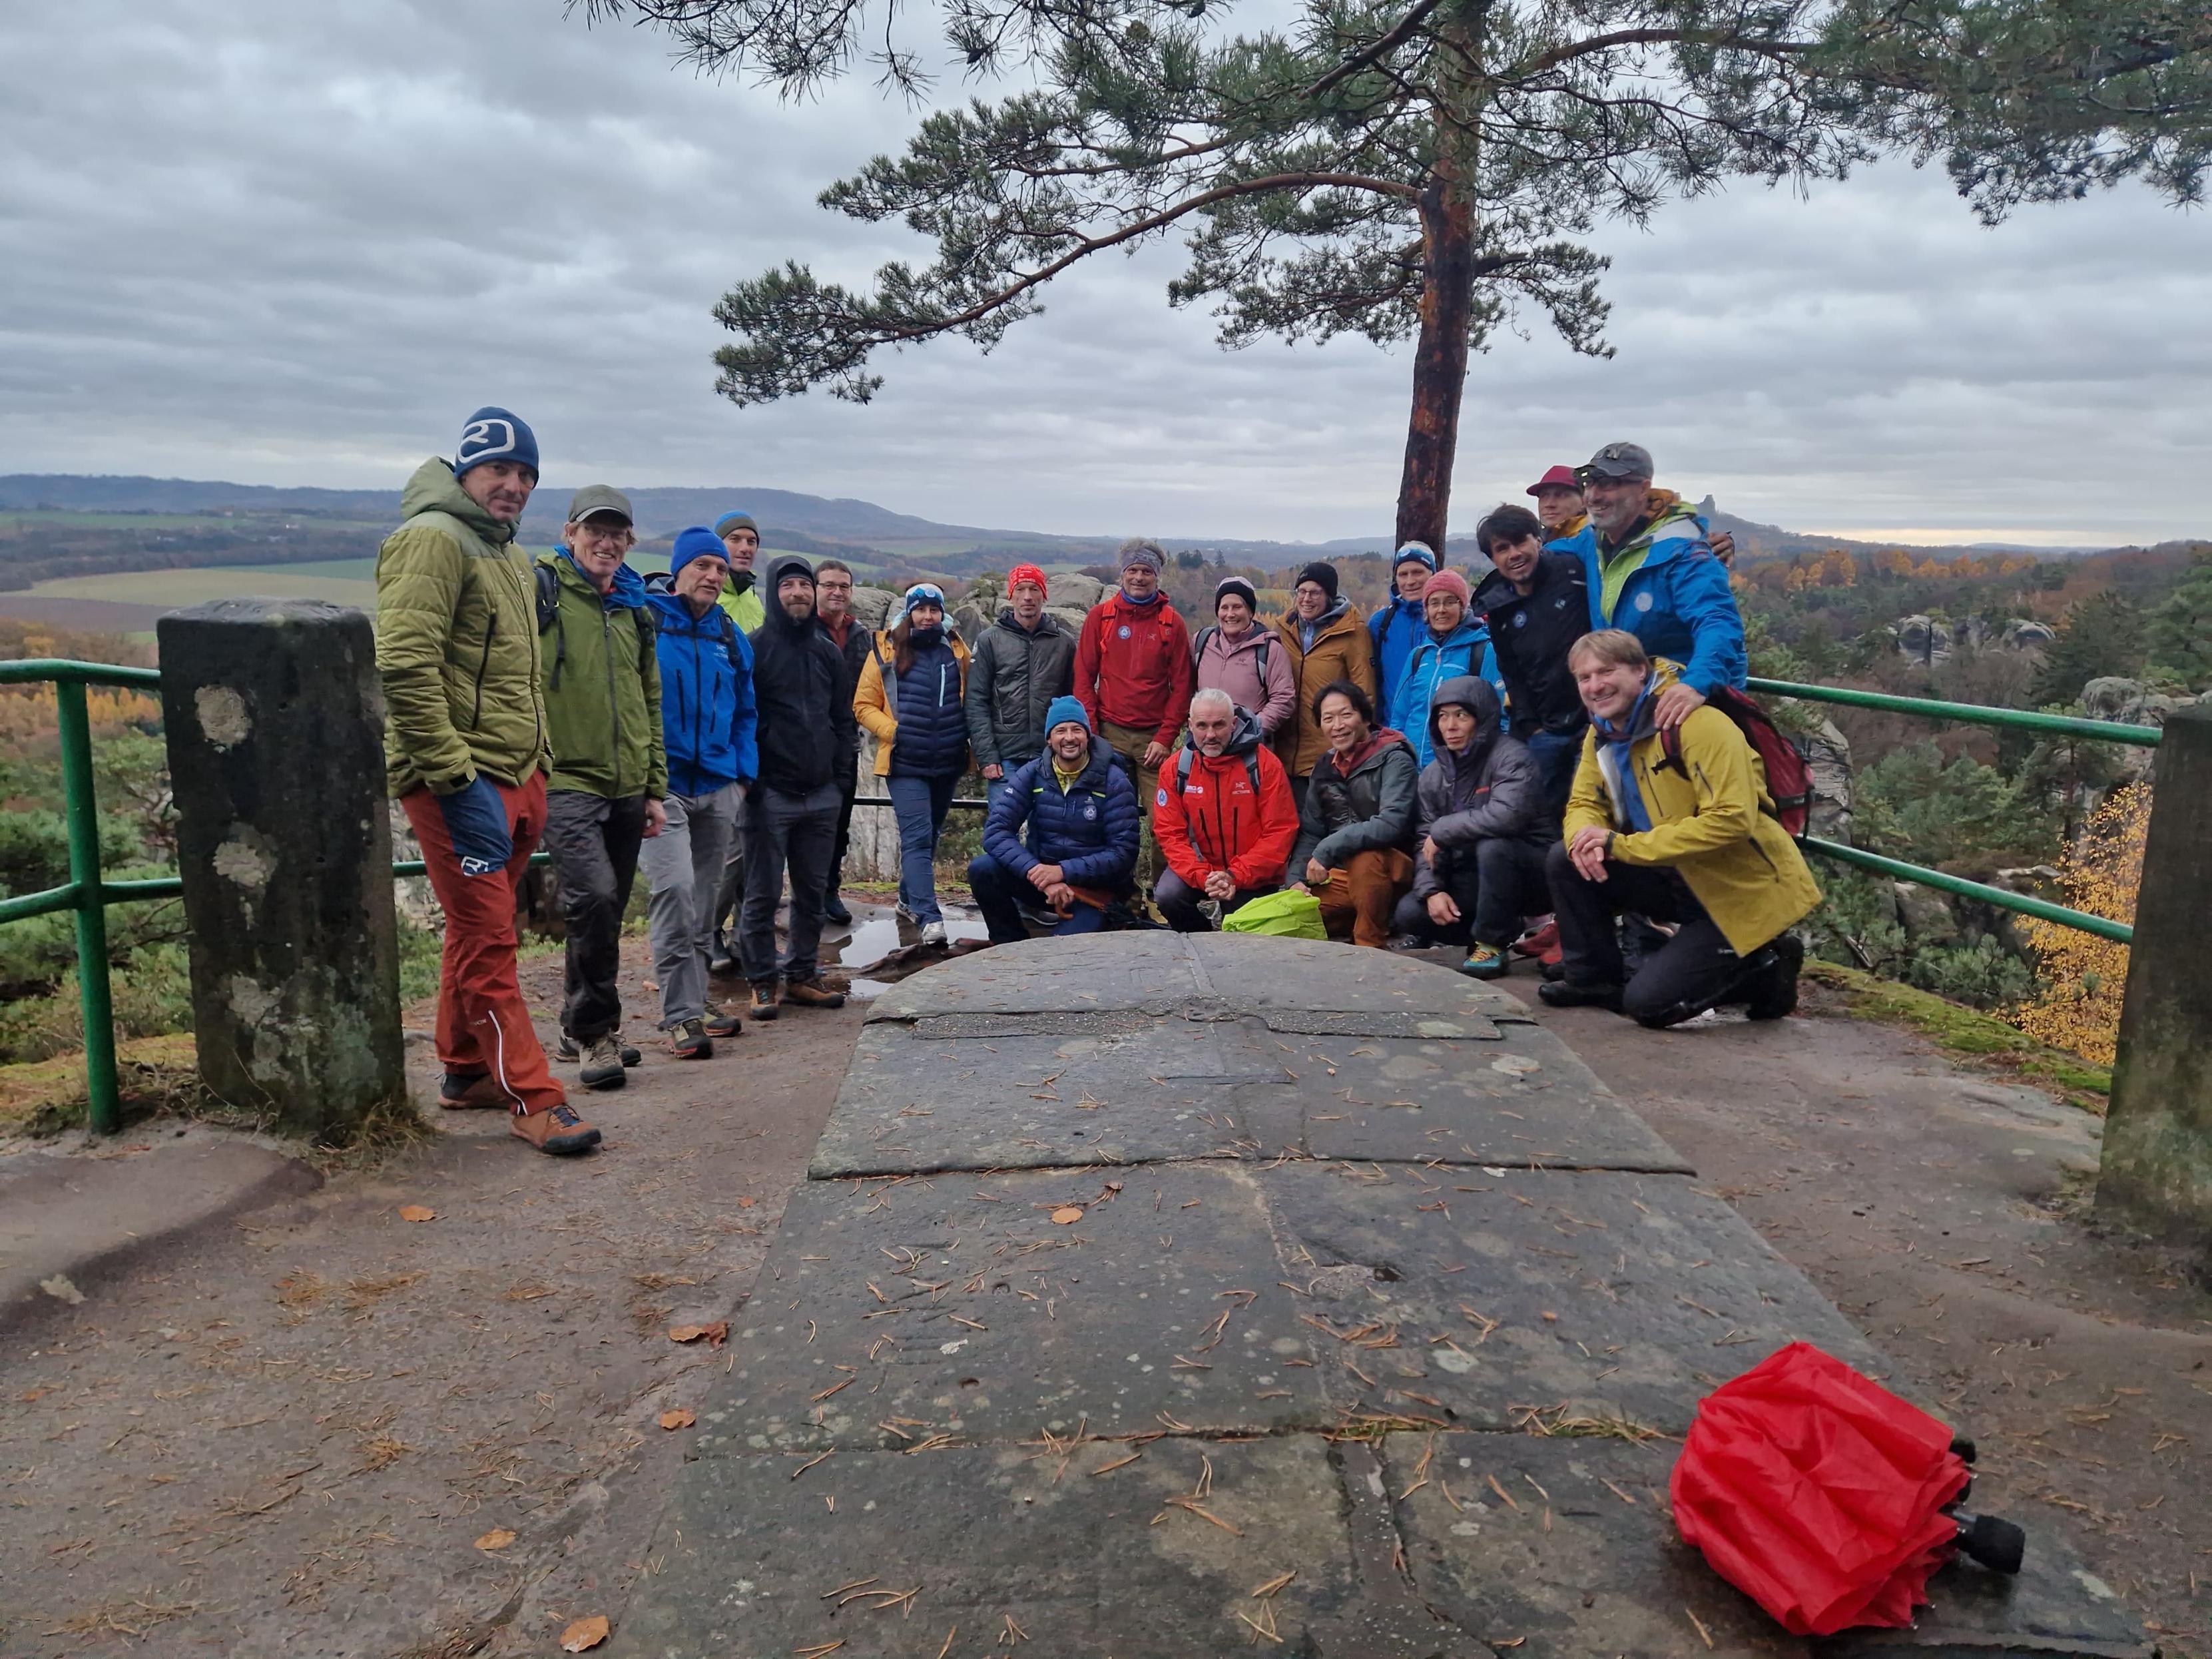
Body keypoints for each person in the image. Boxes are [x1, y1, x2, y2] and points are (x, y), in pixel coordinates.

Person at [375, 408, 597, 1156]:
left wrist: (534, 767)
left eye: (526, 473)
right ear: (466, 470)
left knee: (477, 930)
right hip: (461, 779)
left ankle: (465, 1067)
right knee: (489, 935)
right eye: (499, 469)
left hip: (512, 770)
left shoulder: (502, 551)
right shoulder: (431, 539)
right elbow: (405, 665)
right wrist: (454, 778)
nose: (513, 485)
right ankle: (533, 1096)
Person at [1541, 630, 1818, 1026]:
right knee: (1565, 859)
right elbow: (1585, 801)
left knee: (1648, 1005)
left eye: (1607, 671)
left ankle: (1766, 968)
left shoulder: (1699, 725)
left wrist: (1620, 846)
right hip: (1676, 875)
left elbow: (1732, 820)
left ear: (1641, 671)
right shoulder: (1603, 732)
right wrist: (1585, 837)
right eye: (1584, 678)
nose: (1595, 685)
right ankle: (1592, 980)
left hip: (1737, 890)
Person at [534, 487, 667, 1090]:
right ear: (570, 533)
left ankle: (573, 1025)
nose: (606, 542)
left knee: (605, 906)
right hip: (565, 775)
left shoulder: (635, 607)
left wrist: (654, 785)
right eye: (596, 530)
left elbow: (649, 698)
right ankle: (595, 1034)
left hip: (626, 781)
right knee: (591, 895)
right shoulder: (543, 592)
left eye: (617, 534)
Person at [641, 527, 757, 1059]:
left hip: (718, 784)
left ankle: (695, 999)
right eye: (702, 566)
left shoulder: (728, 635)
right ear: (679, 569)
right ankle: (681, 1015)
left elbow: (746, 711)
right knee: (675, 892)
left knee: (706, 903)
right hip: (661, 786)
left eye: (719, 568)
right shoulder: (645, 622)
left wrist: (741, 774)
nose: (713, 575)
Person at [1547, 442, 1747, 729]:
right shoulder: (1591, 541)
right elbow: (1538, 556)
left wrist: (1696, 685)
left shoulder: (1685, 551)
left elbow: (1717, 623)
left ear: (1644, 489)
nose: (1595, 495)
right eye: (1590, 483)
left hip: (1684, 716)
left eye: (1610, 484)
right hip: (1625, 712)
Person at [738, 555, 854, 1020]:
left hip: (822, 792)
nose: (798, 594)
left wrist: (841, 777)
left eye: (803, 586)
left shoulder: (827, 650)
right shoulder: (755, 648)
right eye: (788, 586)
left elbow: (843, 719)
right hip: (771, 794)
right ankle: (762, 981)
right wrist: (753, 782)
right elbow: (742, 720)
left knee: (812, 893)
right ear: (774, 592)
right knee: (762, 895)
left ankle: (802, 974)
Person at [1392, 677, 1550, 976]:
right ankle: (1484, 936)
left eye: (1461, 716)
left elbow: (1507, 816)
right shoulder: (1433, 774)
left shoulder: (1511, 757)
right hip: (1473, 878)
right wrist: (1431, 891)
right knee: (1410, 912)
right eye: (1442, 716)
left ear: (1482, 719)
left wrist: (1443, 830)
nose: (1450, 726)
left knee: (1493, 846)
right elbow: (1423, 839)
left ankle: (1492, 942)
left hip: (1530, 872)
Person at [854, 582, 971, 947]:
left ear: (941, 613)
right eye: (920, 610)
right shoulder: (887, 650)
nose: (927, 616)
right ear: (909, 612)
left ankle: (907, 900)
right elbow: (863, 705)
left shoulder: (955, 649)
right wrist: (895, 732)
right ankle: (929, 917)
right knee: (918, 839)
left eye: (933, 610)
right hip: (905, 763)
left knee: (930, 836)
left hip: (948, 761)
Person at [968, 696, 1139, 943]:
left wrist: (1062, 872)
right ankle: (1008, 943)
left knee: (1060, 952)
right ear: (1049, 738)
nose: (1069, 737)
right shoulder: (1033, 773)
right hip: (1044, 881)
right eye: (1061, 731)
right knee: (983, 869)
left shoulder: (1114, 780)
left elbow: (1124, 852)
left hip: (1093, 890)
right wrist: (1038, 873)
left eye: (1077, 730)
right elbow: (996, 832)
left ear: (1088, 736)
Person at [1474, 503, 1590, 823]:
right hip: (1545, 731)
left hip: (1594, 723)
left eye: (1520, 542)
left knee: (1593, 815)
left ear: (1537, 540)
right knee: (1542, 819)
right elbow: (1511, 671)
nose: (1514, 554)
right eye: (1502, 548)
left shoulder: (1575, 572)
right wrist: (1532, 725)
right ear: (1493, 559)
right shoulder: (1498, 606)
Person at [1151, 687, 1298, 931]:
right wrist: (1203, 875)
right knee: (1167, 896)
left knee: (1241, 931)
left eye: (1219, 725)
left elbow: (1280, 831)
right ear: (1189, 725)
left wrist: (1235, 875)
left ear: (1234, 723)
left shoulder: (1264, 764)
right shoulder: (1176, 768)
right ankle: (1201, 939)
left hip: (1251, 873)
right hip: (1202, 870)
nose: (1210, 735)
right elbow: (1170, 833)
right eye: (1202, 726)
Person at [1287, 680, 1419, 948]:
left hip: (1395, 867)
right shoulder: (1324, 766)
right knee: (1291, 917)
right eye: (1328, 718)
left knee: (1365, 857)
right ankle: (1363, 921)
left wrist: (1328, 848)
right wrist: (1296, 880)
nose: (1338, 725)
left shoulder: (1394, 757)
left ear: (1364, 717)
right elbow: (1312, 830)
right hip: (1341, 875)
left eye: (1346, 715)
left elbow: (1391, 823)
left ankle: (1370, 947)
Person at [1073, 538, 1195, 823]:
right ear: (1123, 573)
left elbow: (1182, 687)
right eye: (1133, 570)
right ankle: (1115, 870)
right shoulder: (1100, 618)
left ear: (1157, 576)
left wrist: (1165, 739)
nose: (1139, 577)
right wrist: (1092, 734)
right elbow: (1083, 679)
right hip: (1108, 734)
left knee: (1165, 825)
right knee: (1109, 823)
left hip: (1153, 740)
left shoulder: (1171, 623)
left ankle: (1163, 871)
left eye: (1147, 571)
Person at [966, 562, 1077, 813]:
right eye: (1021, 589)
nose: (1028, 597)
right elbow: (976, 701)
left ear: (1044, 595)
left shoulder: (1064, 643)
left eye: (1034, 589)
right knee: (1003, 831)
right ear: (1011, 595)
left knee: (1048, 832)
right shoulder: (989, 641)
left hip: (1051, 755)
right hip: (1005, 758)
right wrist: (987, 756)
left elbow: (1073, 701)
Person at [1274, 562, 1375, 808]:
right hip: (1284, 755)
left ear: (1329, 596)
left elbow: (1364, 695)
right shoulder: (1283, 628)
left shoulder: (1352, 632)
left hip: (1330, 755)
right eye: (1302, 591)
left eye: (1315, 593)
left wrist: (1355, 751)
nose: (1307, 599)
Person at [1392, 568, 1497, 768]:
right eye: (1434, 603)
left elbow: (1497, 716)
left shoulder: (1482, 651)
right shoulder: (1418, 656)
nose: (1441, 610)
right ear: (1427, 610)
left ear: (1463, 606)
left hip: (1461, 771)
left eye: (1450, 601)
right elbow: (1399, 717)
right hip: (1412, 769)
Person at [814, 558, 869, 926]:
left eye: (844, 586)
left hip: (845, 744)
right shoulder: (803, 631)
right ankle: (806, 894)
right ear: (816, 588)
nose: (837, 592)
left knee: (839, 823)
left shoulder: (860, 635)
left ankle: (829, 891)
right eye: (829, 585)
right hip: (805, 743)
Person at [1193, 576, 1295, 741]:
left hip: (1249, 748)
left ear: (1250, 611)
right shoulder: (1202, 641)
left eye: (1237, 607)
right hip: (1206, 742)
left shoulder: (1269, 649)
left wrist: (1252, 729)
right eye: (1224, 607)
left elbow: (1284, 699)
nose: (1230, 614)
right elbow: (1186, 686)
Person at [1368, 542, 1435, 727]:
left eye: (1418, 572)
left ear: (1433, 574)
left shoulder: (1444, 619)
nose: (1410, 581)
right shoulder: (1381, 623)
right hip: (1392, 730)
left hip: (1439, 732)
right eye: (1403, 574)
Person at [714, 511, 766, 633]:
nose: (745, 548)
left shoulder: (754, 601)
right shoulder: (706, 597)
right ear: (718, 544)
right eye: (735, 539)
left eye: (751, 542)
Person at [1527, 465, 1589, 539]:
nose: (1549, 504)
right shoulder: (1537, 542)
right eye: (1544, 496)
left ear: (1584, 502)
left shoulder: (1595, 540)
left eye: (1561, 496)